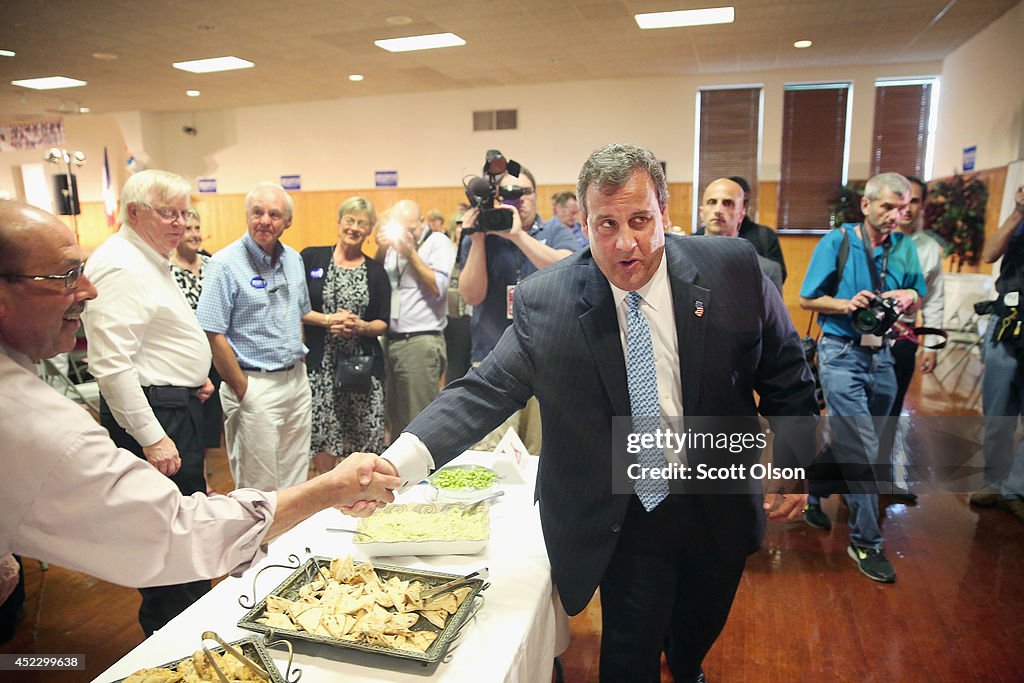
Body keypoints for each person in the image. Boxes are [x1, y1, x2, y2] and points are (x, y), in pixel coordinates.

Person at [369, 144, 818, 682]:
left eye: (639, 220)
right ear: (583, 224)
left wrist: (796, 461)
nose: (626, 243)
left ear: (665, 213)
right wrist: (395, 465)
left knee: (698, 626)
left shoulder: (733, 270)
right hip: (624, 509)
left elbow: (787, 372)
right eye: (606, 224)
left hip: (715, 490)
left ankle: (686, 662)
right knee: (630, 648)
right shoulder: (548, 300)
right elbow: (482, 390)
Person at [0, 200, 398, 594]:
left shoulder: (289, 259)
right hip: (223, 391)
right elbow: (170, 533)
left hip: (283, 381)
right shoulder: (34, 421)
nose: (89, 290)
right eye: (67, 276)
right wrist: (330, 488)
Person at [82, 170, 217, 634]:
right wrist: (153, 438)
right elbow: (111, 365)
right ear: (135, 212)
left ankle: (196, 628)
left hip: (175, 405)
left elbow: (148, 344)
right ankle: (173, 641)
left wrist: (190, 377)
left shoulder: (148, 256)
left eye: (185, 213)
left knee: (186, 528)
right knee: (166, 536)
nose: (180, 223)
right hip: (157, 420)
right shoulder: (120, 263)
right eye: (168, 213)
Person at [799, 172, 926, 583]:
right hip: (839, 353)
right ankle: (866, 542)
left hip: (885, 354)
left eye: (903, 208)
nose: (896, 216)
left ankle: (814, 492)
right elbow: (806, 298)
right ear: (866, 205)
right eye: (888, 207)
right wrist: (844, 304)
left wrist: (907, 297)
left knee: (858, 439)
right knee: (865, 447)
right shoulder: (837, 242)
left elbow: (917, 294)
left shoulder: (905, 248)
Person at [196, 182, 312, 491]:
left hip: (296, 381)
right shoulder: (224, 264)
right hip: (254, 384)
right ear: (247, 215)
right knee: (258, 486)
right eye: (257, 212)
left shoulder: (293, 260)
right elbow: (212, 332)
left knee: (296, 477)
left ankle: (291, 540)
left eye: (274, 214)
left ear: (287, 222)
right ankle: (260, 542)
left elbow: (299, 314)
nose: (265, 221)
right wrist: (242, 389)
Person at [458, 164, 579, 453]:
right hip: (494, 363)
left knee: (542, 455)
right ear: (496, 198)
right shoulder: (481, 239)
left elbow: (570, 270)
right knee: (491, 457)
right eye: (511, 193)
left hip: (546, 363)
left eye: (525, 192)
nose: (520, 199)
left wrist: (517, 236)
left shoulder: (554, 230)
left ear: (537, 196)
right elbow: (472, 296)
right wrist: (477, 239)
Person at [301, 197, 390, 477]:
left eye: (361, 223)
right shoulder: (311, 258)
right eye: (349, 220)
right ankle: (325, 492)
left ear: (369, 231)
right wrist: (328, 321)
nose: (354, 227)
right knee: (324, 434)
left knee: (364, 434)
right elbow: (297, 308)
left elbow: (383, 322)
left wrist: (359, 326)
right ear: (339, 223)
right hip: (321, 365)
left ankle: (362, 493)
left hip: (361, 367)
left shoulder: (376, 272)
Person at [373, 199, 455, 438]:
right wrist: (381, 248)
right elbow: (377, 278)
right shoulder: (392, 248)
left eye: (411, 229)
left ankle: (425, 475)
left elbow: (438, 287)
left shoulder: (437, 242)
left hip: (420, 341)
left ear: (423, 222)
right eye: (400, 228)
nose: (406, 234)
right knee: (395, 418)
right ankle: (402, 475)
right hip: (391, 340)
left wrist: (410, 252)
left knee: (419, 422)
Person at [887, 176, 944, 502]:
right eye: (900, 201)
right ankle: (825, 487)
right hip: (862, 338)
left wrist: (931, 345)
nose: (906, 209)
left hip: (906, 335)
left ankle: (881, 477)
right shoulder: (866, 241)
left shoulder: (929, 249)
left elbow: (934, 298)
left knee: (892, 410)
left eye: (914, 201)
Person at [971, 185, 1024, 519]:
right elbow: (989, 254)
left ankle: (1016, 489)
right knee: (998, 411)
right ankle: (993, 483)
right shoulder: (1017, 220)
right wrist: (1018, 212)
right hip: (1008, 320)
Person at [170, 207, 224, 453]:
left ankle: (206, 472)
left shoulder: (213, 264)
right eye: (187, 229)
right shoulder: (167, 269)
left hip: (216, 351)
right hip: (182, 356)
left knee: (211, 421)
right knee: (191, 420)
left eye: (196, 228)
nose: (193, 234)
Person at [695, 176, 787, 283]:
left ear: (741, 213)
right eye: (712, 202)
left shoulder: (767, 269)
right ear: (701, 212)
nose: (718, 210)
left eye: (727, 203)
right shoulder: (685, 258)